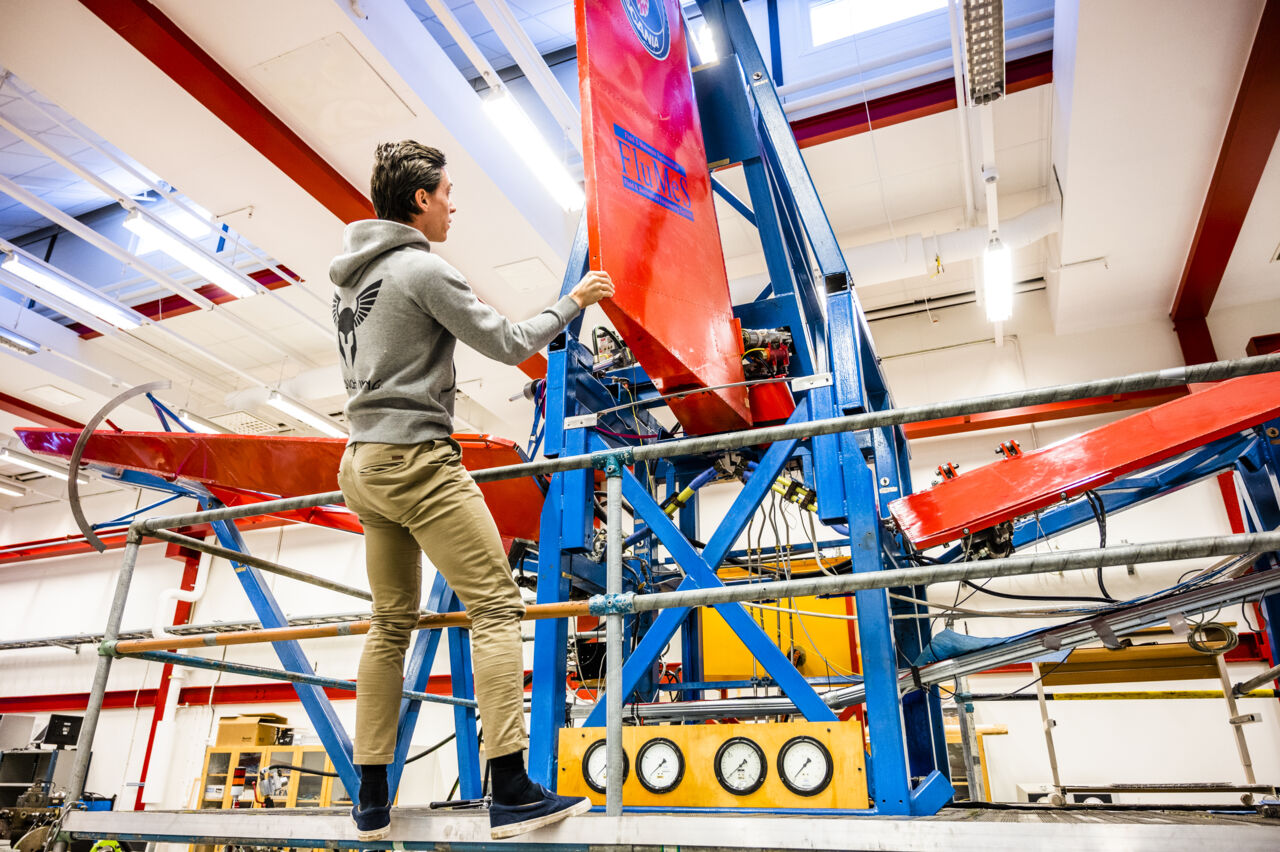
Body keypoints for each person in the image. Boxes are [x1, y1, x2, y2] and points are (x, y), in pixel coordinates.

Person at [331, 140, 614, 841]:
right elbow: (509, 342)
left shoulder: (349, 284)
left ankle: (370, 796)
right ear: (420, 199)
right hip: (417, 462)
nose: (453, 207)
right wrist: (574, 302)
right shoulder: (422, 268)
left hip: (362, 464)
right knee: (495, 605)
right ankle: (511, 789)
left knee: (390, 622)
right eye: (448, 194)